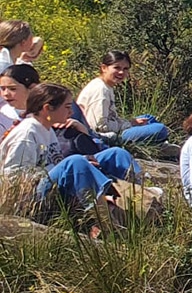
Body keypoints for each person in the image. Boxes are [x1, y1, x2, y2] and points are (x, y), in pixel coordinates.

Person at [0, 82, 138, 213]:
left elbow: (54, 161)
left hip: (48, 181)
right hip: (31, 196)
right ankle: (100, 215)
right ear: (47, 108)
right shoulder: (27, 134)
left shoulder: (47, 129)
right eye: (66, 107)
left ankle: (138, 194)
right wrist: (62, 168)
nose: (71, 112)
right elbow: (13, 177)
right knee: (75, 162)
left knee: (115, 154)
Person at [76, 52, 170, 145]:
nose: (121, 72)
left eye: (125, 69)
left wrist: (129, 122)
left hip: (114, 128)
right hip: (104, 136)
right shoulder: (100, 90)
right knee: (160, 129)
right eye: (117, 68)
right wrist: (128, 124)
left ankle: (157, 142)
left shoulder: (106, 86)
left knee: (149, 118)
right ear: (104, 68)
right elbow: (99, 126)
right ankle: (156, 143)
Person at [0, 63, 39, 136]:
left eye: (12, 89)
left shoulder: (48, 111)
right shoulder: (4, 113)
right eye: (3, 89)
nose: (6, 93)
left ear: (32, 88)